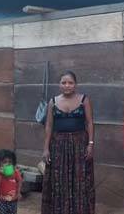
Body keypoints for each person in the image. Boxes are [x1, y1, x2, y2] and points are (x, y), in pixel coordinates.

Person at [41, 70, 95, 214]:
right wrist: (46, 148)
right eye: (64, 82)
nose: (67, 85)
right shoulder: (53, 101)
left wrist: (90, 144)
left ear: (75, 84)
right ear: (59, 85)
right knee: (59, 180)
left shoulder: (84, 100)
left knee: (80, 179)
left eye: (70, 82)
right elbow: (49, 126)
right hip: (58, 146)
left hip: (79, 145)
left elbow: (89, 123)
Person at [0, 149, 22, 214]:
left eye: (10, 162)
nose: (7, 164)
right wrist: (0, 173)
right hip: (1, 201)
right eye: (4, 162)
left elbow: (19, 181)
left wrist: (18, 192)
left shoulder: (15, 172)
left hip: (13, 200)